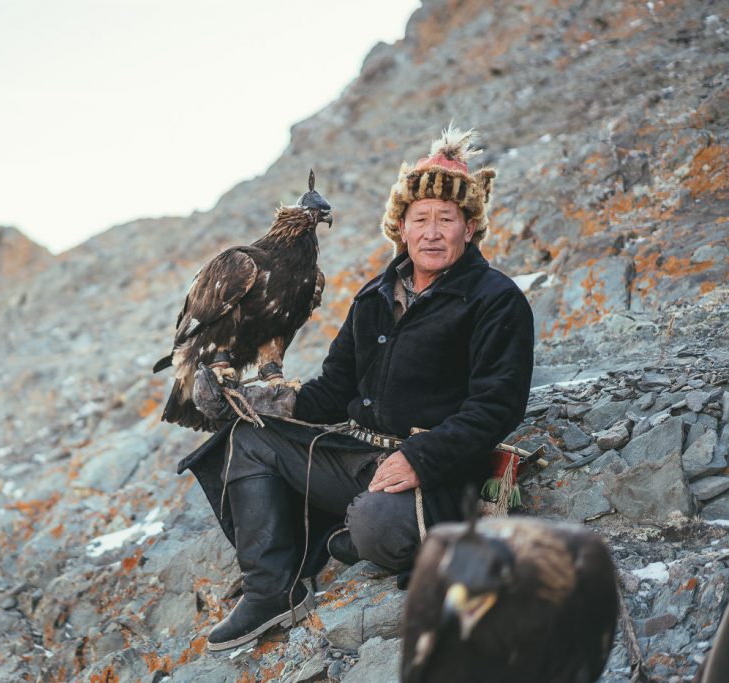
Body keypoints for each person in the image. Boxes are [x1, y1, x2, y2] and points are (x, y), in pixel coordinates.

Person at [176, 126, 536, 652]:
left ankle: (358, 536)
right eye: (421, 220)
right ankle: (271, 590)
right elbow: (334, 389)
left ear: (470, 227)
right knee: (246, 439)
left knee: (374, 526)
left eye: (446, 219)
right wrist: (267, 403)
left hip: (438, 470)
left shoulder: (495, 299)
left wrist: (421, 457)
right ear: (401, 228)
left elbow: (498, 404)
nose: (432, 233)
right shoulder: (372, 298)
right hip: (358, 456)